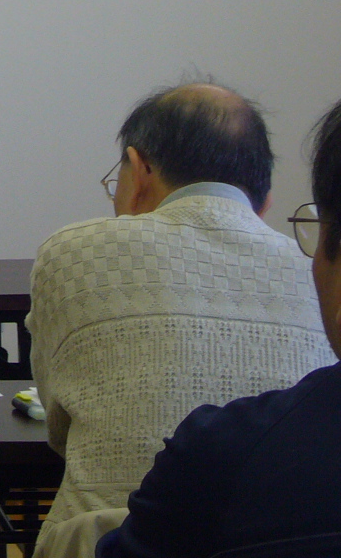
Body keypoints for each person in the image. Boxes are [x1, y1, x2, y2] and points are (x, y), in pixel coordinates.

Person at [27, 82, 329, 543]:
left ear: (138, 169)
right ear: (264, 201)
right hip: (273, 540)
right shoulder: (310, 266)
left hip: (106, 539)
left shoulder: (71, 250)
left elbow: (58, 426)